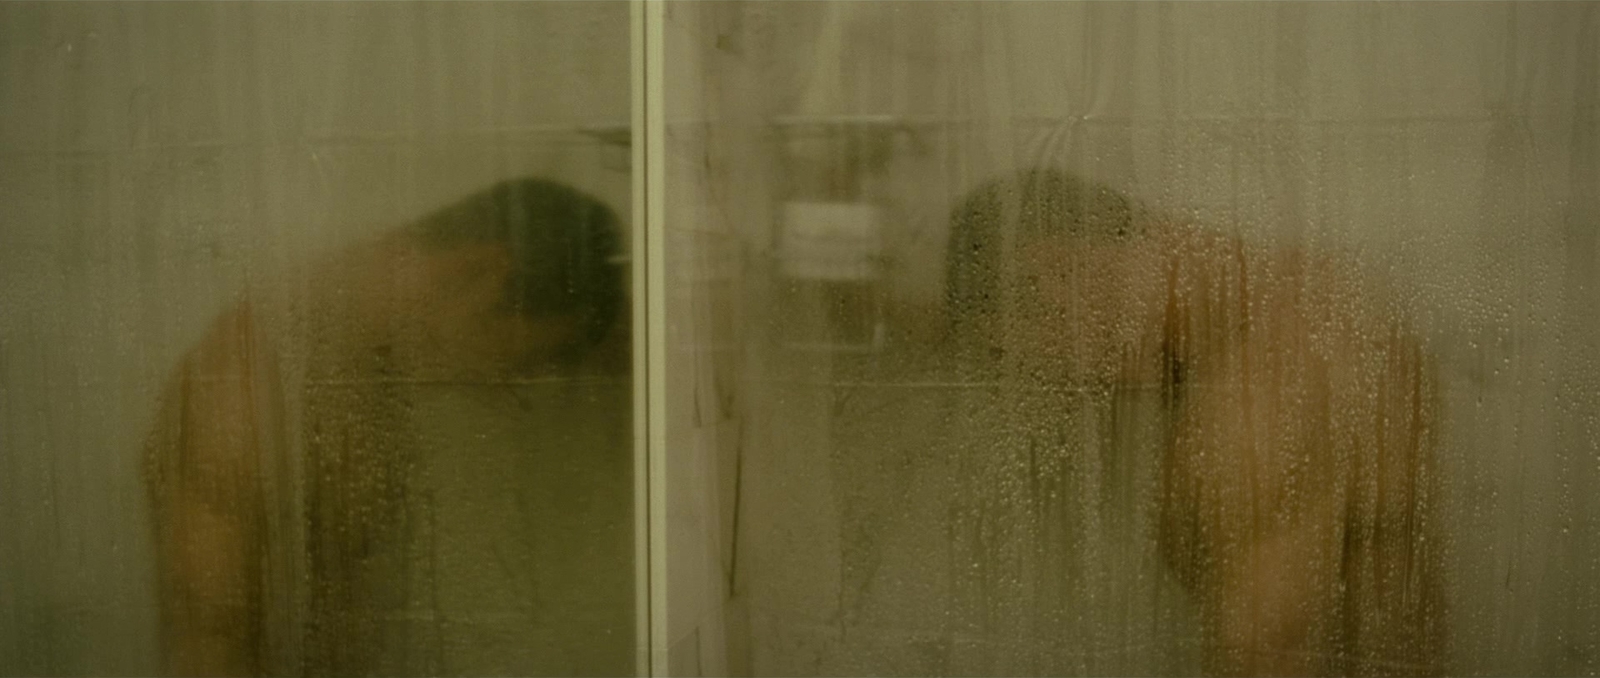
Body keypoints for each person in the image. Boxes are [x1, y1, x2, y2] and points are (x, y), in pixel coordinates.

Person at [943, 168, 1447, 676]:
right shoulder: (1327, 296)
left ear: (1051, 273)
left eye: (1019, 355)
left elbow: (1263, 654)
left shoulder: (1252, 411)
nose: (1061, 383)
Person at [141, 178, 630, 676]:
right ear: (481, 273)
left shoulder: (355, 359)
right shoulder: (242, 398)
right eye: (526, 360)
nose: (504, 381)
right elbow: (208, 650)